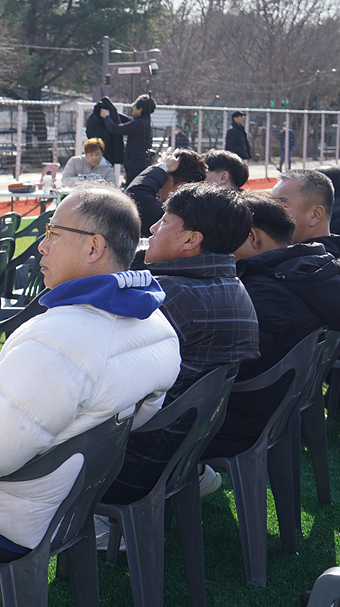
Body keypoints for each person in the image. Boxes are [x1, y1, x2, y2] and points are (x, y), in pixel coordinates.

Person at [0, 184, 179, 561]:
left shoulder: (60, 339)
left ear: (94, 248)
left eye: (53, 235)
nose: (41, 246)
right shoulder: (155, 322)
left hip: (0, 519)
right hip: (67, 501)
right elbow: (142, 415)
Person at [103, 183, 259, 505]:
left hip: (125, 469)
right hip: (179, 457)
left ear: (191, 239)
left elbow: (96, 370)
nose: (153, 228)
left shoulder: (166, 297)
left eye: (164, 220)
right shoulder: (236, 290)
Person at [202, 193, 340, 458]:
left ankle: (199, 475)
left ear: (253, 237)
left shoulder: (266, 293)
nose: (216, 247)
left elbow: (218, 369)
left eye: (223, 237)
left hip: (231, 427)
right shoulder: (302, 273)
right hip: (273, 414)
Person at [124, 148, 206, 236]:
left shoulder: (175, 218)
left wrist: (163, 167)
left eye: (163, 178)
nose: (157, 186)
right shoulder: (199, 215)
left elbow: (135, 196)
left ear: (181, 187)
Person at [273, 169, 340, 256]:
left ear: (315, 214)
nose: (272, 212)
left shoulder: (311, 266)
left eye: (282, 206)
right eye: (272, 204)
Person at [99, 94, 157, 184]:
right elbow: (128, 121)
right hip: (139, 162)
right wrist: (113, 113)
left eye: (134, 106)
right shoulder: (145, 121)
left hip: (135, 164)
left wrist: (106, 117)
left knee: (132, 189)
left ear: (140, 109)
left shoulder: (139, 124)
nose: (132, 107)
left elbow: (115, 129)